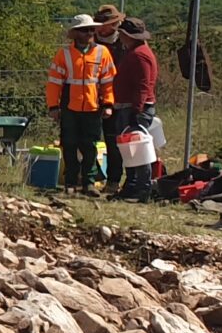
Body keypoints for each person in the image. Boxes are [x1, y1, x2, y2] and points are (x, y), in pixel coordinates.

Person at [44, 16, 116, 197]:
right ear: (75, 33)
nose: (89, 33)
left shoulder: (103, 52)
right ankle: (70, 183)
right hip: (70, 107)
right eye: (85, 30)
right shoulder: (64, 54)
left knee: (90, 146)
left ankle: (88, 183)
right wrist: (53, 106)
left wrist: (108, 104)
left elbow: (108, 82)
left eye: (92, 29)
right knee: (69, 144)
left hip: (93, 107)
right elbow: (54, 83)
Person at [107, 17, 161, 201]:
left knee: (138, 151)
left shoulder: (140, 55)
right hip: (130, 107)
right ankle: (131, 186)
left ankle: (142, 189)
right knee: (130, 150)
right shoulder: (137, 52)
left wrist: (136, 110)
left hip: (134, 108)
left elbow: (143, 85)